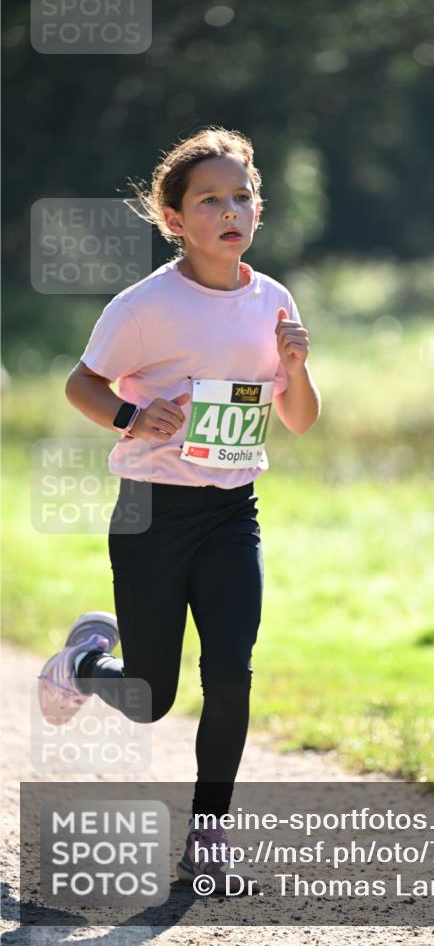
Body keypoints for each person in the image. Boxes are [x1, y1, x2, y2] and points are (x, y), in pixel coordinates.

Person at [36, 125, 321, 893]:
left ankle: (208, 840)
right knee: (151, 699)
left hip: (233, 511)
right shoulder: (145, 306)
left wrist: (294, 366)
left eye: (242, 197)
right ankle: (87, 660)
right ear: (173, 220)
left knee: (231, 673)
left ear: (257, 208)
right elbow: (82, 386)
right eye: (210, 201)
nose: (231, 211)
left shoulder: (274, 300)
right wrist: (134, 418)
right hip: (151, 514)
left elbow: (299, 419)